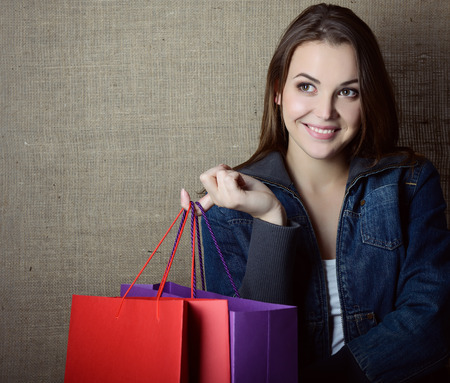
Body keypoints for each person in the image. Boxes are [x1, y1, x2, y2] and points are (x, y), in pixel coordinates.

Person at [181, 3, 450, 382]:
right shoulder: (226, 208)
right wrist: (271, 220)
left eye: (348, 92)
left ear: (367, 99)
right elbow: (246, 358)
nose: (325, 111)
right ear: (278, 91)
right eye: (306, 86)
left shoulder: (410, 183)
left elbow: (432, 320)